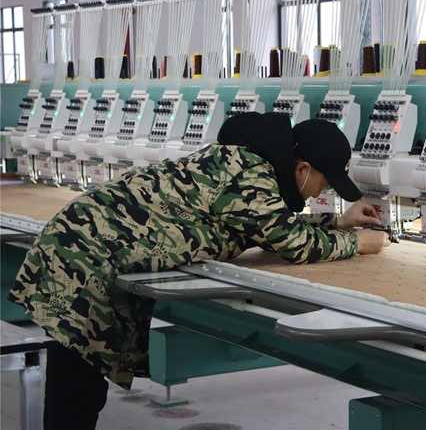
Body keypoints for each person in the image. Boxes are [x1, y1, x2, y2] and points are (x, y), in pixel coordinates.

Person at [9, 112, 390, 430]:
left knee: (76, 384)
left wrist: (337, 223)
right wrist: (358, 243)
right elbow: (294, 244)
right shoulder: (250, 174)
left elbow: (268, 225)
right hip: (84, 260)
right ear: (302, 168)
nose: (318, 194)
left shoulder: (246, 163)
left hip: (82, 248)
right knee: (77, 390)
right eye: (323, 183)